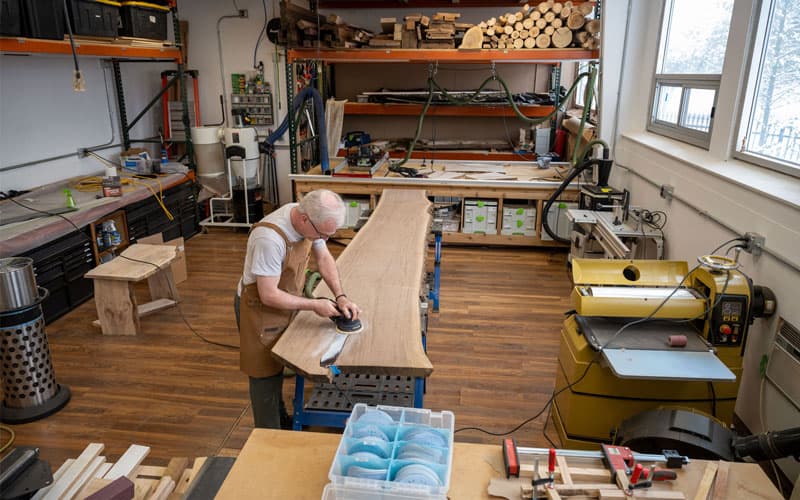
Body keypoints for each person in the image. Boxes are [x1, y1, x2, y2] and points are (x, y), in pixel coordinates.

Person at [234, 189, 361, 429]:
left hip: (287, 299)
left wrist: (340, 296)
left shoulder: (310, 217)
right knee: (265, 377)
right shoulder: (268, 238)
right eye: (322, 233)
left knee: (280, 365)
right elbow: (268, 294)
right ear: (304, 220)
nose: (323, 238)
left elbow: (324, 259)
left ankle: (282, 419)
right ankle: (269, 435)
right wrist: (314, 305)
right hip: (259, 309)